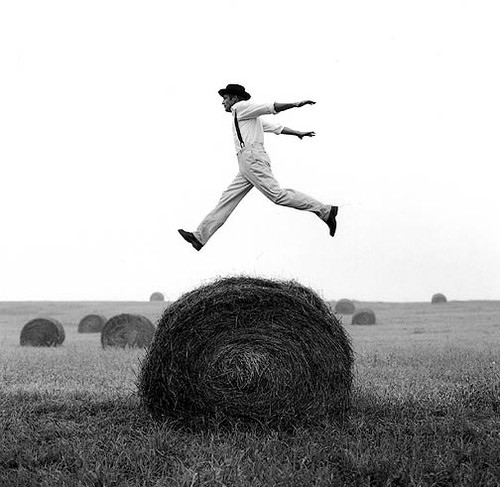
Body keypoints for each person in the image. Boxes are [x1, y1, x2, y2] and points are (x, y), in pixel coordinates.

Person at [178, 83, 338, 251]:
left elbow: (270, 107)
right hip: (246, 162)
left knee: (277, 195)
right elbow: (275, 127)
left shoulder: (241, 107)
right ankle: (199, 236)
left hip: (252, 158)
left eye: (225, 98)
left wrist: (295, 104)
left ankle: (325, 210)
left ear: (234, 98)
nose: (222, 102)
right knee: (228, 198)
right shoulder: (246, 117)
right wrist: (298, 133)